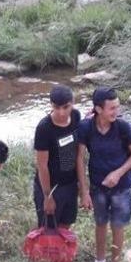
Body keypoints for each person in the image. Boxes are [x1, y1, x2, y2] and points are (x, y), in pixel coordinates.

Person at [77, 87, 131, 262]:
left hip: (122, 187)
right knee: (100, 222)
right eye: (111, 108)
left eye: (117, 107)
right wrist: (84, 191)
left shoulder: (123, 127)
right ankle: (99, 261)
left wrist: (118, 173)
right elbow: (80, 159)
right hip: (98, 187)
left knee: (117, 225)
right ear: (98, 109)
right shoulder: (86, 127)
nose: (116, 112)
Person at [33, 85, 83, 237]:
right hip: (51, 186)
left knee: (66, 224)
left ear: (73, 103)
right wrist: (47, 197)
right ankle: (45, 258)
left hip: (70, 184)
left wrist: (82, 186)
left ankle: (61, 257)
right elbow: (42, 166)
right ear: (51, 105)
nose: (61, 112)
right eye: (56, 107)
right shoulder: (44, 128)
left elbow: (79, 154)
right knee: (48, 229)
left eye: (66, 107)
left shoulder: (76, 116)